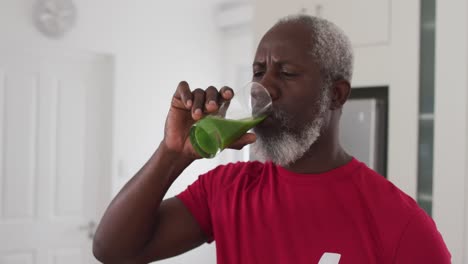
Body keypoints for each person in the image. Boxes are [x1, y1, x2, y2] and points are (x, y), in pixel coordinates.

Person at [92, 14, 451, 264]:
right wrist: (173, 153)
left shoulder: (401, 225)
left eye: (288, 72)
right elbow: (115, 251)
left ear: (336, 95)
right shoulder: (228, 188)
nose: (264, 87)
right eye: (258, 71)